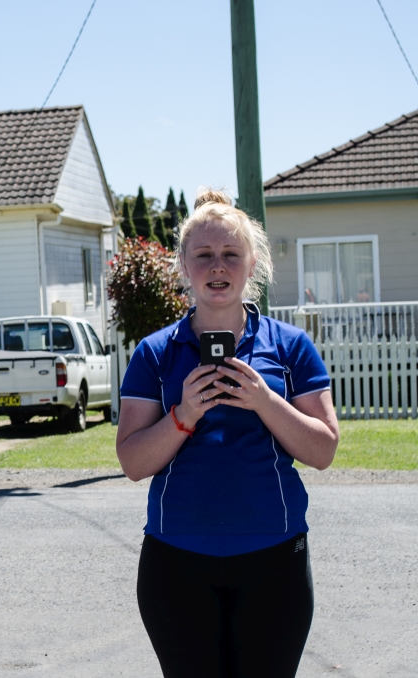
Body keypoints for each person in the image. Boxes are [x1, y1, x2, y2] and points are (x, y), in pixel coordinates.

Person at [116, 189, 339, 678]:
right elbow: (133, 463)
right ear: (183, 267)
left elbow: (322, 450)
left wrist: (264, 400)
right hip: (176, 563)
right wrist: (183, 415)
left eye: (230, 255)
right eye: (204, 256)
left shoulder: (291, 346)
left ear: (251, 263)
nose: (218, 267)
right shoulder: (154, 353)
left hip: (274, 559)